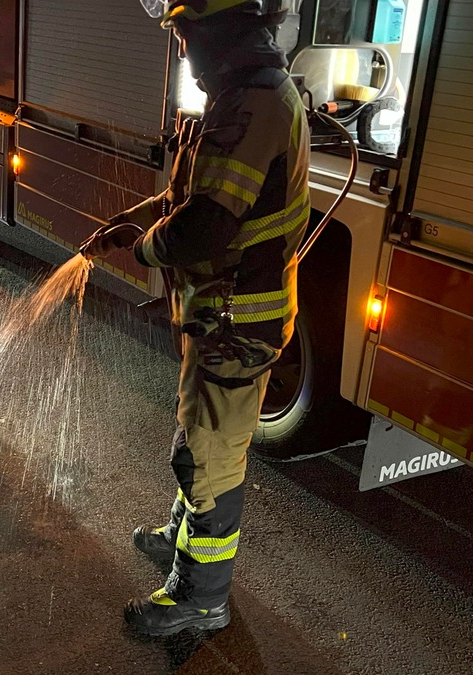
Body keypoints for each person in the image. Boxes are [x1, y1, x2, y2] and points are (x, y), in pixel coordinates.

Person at [80, 0, 309, 636]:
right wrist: (133, 222)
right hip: (221, 319)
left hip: (235, 324)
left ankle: (200, 597)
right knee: (199, 442)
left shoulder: (250, 105)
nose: (182, 50)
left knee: (208, 460)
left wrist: (146, 248)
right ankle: (183, 539)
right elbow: (195, 195)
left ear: (218, 29)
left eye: (184, 34)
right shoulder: (247, 94)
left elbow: (206, 226)